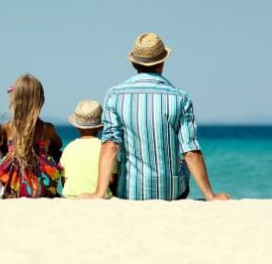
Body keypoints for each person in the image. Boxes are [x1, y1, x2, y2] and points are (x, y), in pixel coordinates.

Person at [84, 33, 230, 201]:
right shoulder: (180, 98)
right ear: (162, 63)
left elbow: (111, 146)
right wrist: (210, 195)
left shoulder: (114, 96)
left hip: (129, 192)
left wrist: (98, 193)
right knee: (182, 164)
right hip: (171, 193)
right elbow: (190, 152)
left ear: (133, 63)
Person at [0, 73, 64, 198]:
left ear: (15, 100)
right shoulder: (46, 129)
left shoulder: (8, 128)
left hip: (14, 186)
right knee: (57, 153)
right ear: (40, 101)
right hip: (43, 187)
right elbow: (59, 144)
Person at [60, 100, 115, 198]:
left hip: (72, 198)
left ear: (77, 127)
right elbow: (111, 179)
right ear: (100, 127)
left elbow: (65, 181)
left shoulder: (69, 148)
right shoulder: (105, 149)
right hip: (101, 198)